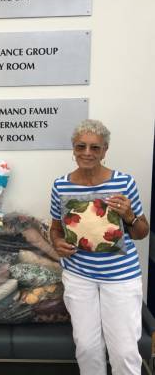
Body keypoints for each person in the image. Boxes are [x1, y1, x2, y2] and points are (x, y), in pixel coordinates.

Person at [50, 119, 149, 375]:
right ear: (73, 148)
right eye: (81, 146)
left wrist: (129, 216)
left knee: (125, 351)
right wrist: (57, 243)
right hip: (79, 275)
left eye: (95, 148)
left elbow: (141, 232)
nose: (87, 153)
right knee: (87, 347)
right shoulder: (61, 185)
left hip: (121, 277)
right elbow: (56, 228)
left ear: (105, 150)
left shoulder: (124, 183)